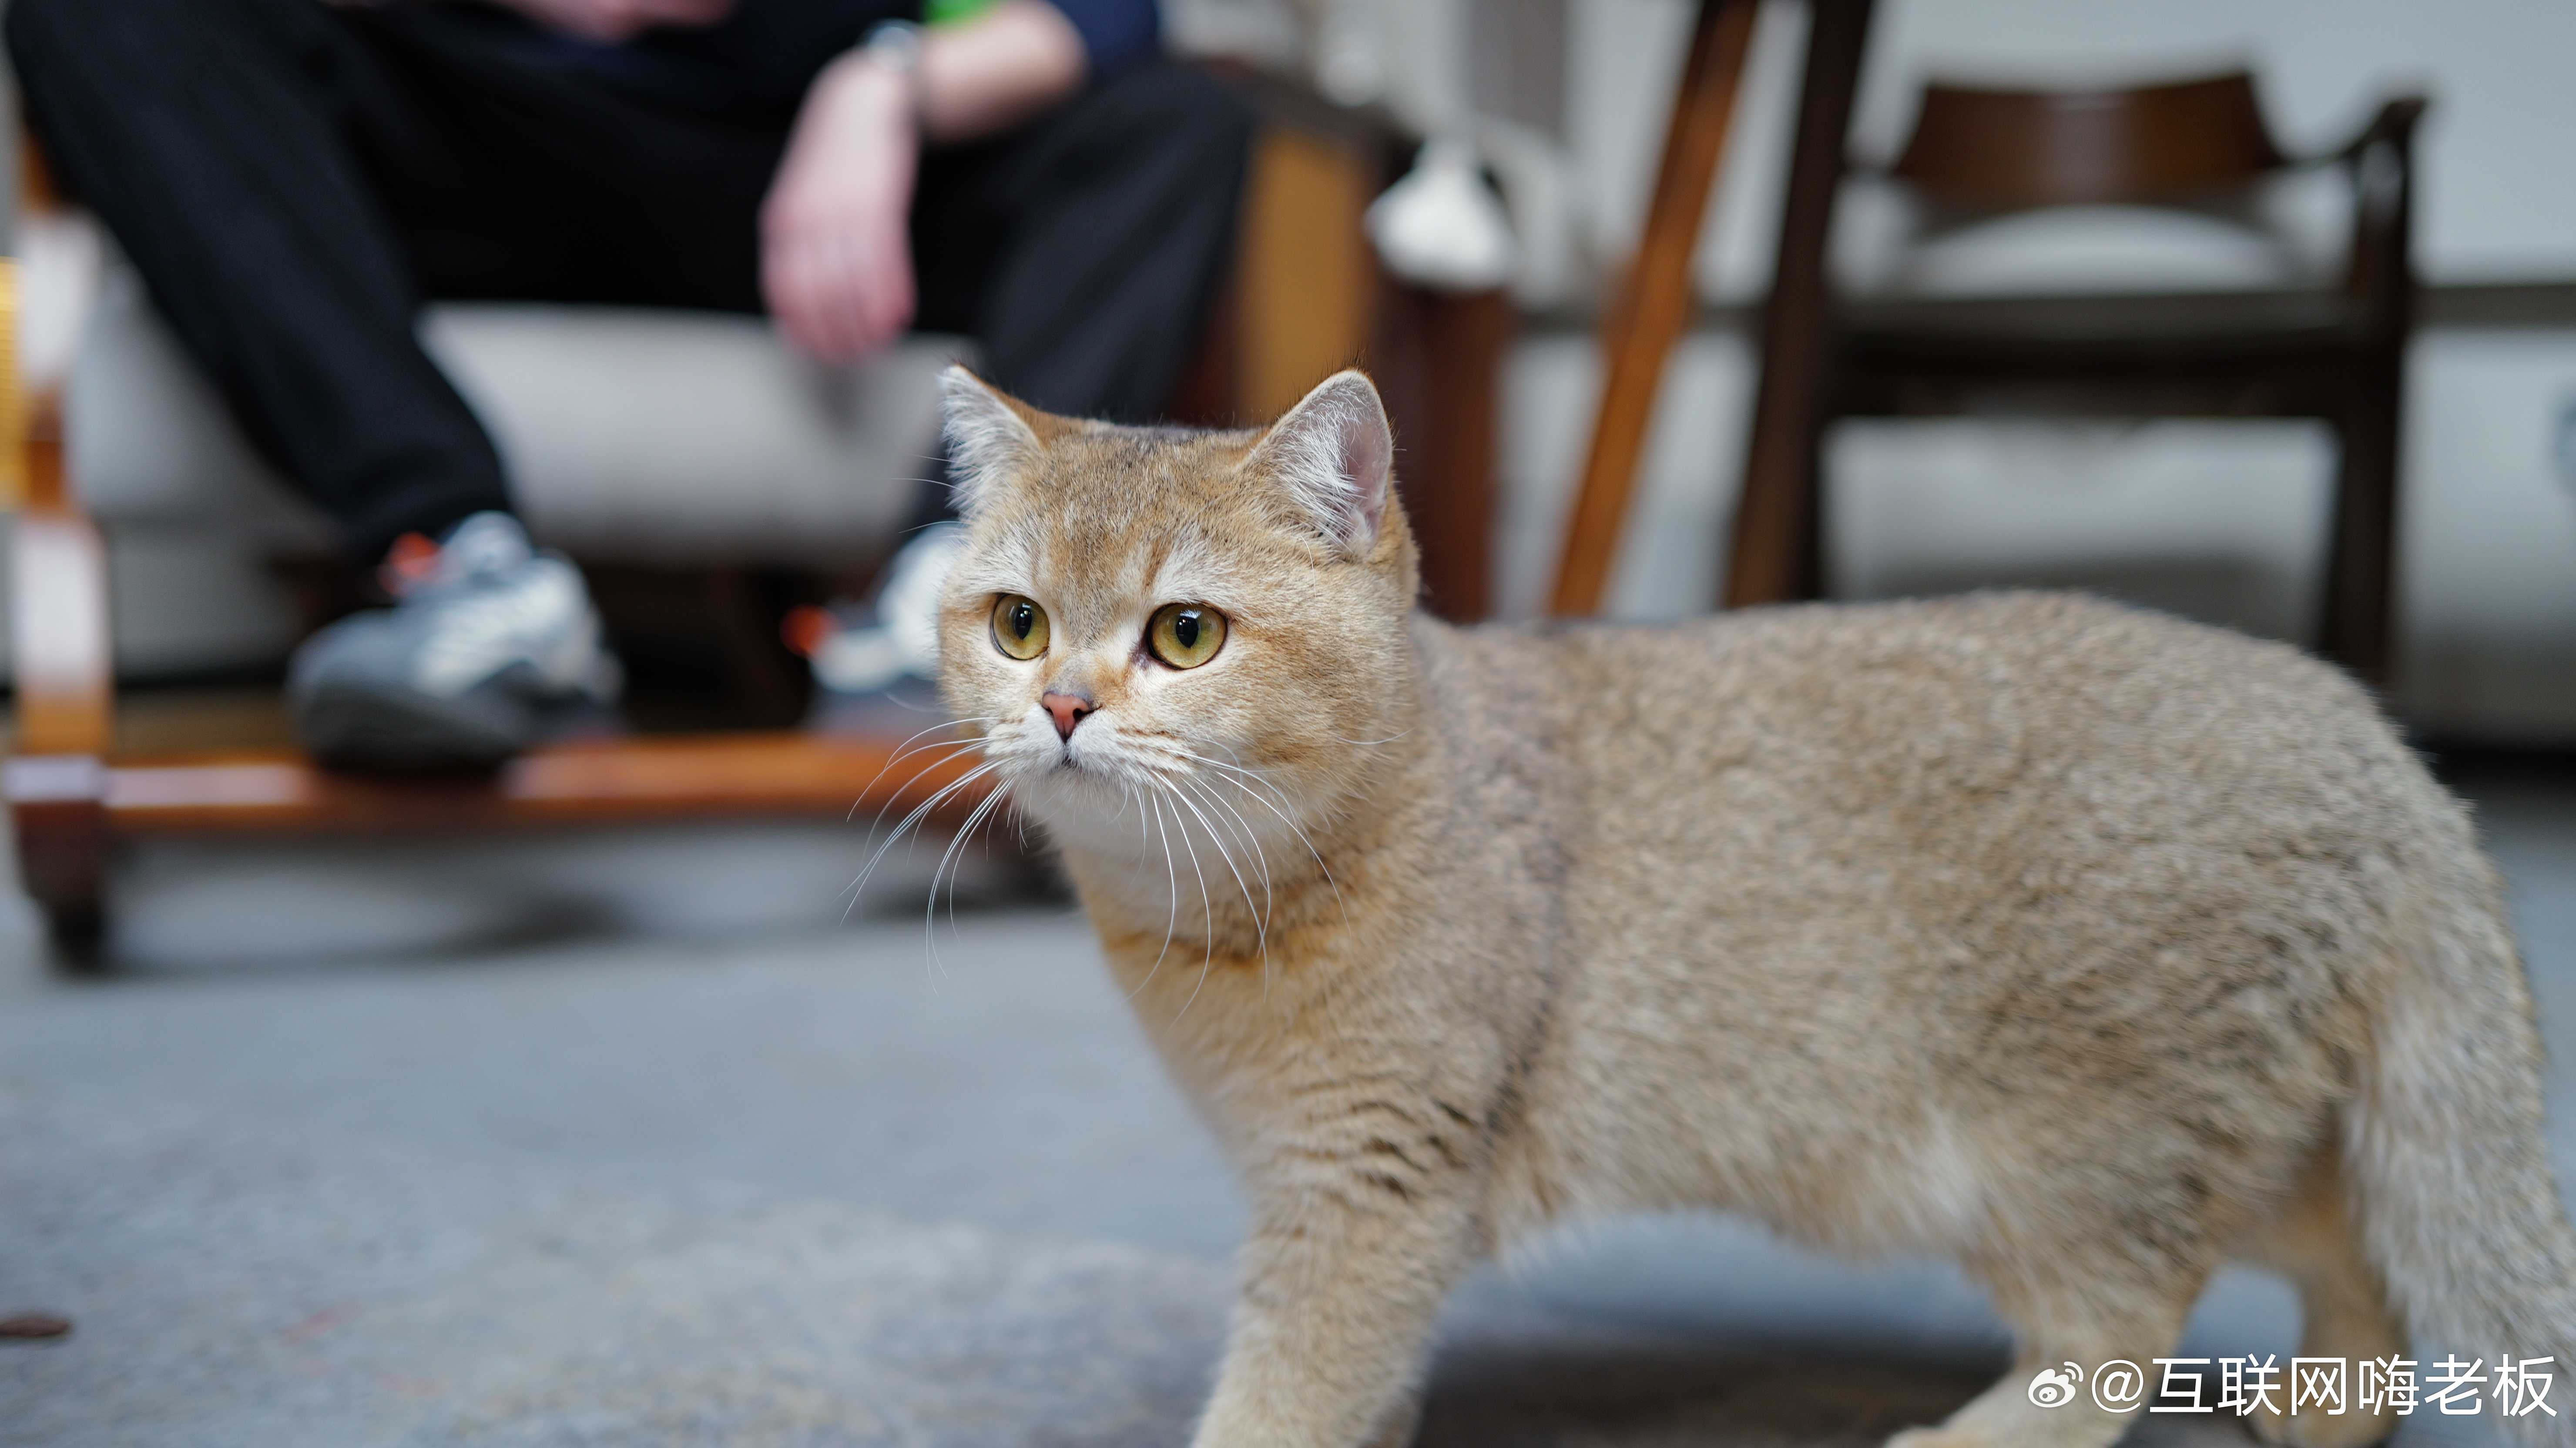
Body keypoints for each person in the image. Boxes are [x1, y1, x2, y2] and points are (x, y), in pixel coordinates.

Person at [9, 0, 1250, 768]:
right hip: (462, 140)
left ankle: (954, 602)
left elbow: (1111, 13)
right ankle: (459, 565)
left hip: (799, 196)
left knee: (1180, 121)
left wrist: (880, 86)